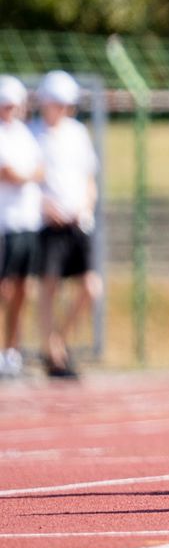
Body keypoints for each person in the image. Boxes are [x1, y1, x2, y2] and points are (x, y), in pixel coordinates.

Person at [33, 71, 100, 379]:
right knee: (48, 286)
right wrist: (46, 207)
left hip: (78, 222)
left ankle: (58, 339)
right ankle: (53, 355)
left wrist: (86, 205)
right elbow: (28, 184)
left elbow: (89, 177)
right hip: (48, 224)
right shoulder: (33, 134)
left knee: (90, 287)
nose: (62, 109)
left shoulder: (77, 133)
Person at [0, 75, 44, 379]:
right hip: (5, 223)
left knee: (23, 290)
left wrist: (26, 175)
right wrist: (26, 176)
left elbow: (39, 170)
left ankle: (12, 351)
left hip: (28, 222)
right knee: (4, 289)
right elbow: (9, 173)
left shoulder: (25, 135)